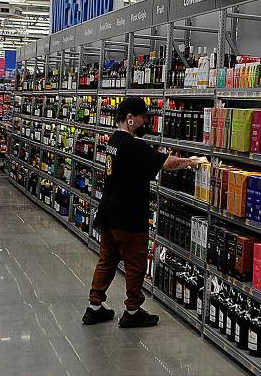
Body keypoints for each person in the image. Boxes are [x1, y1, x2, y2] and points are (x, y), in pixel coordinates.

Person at [83, 96, 205, 328]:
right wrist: (192, 161)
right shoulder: (133, 145)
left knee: (107, 260)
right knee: (136, 263)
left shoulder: (113, 141)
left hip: (108, 211)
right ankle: (133, 310)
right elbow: (167, 164)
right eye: (142, 118)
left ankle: (94, 306)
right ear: (130, 119)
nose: (145, 121)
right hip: (128, 214)